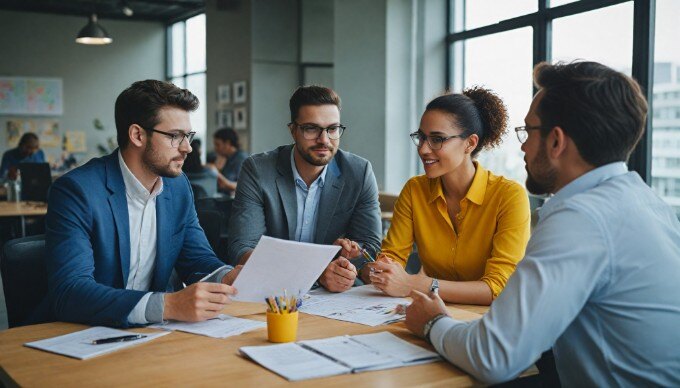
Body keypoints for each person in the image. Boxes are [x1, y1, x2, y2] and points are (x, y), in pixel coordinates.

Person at [404, 61, 680, 386]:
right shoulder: (650, 204)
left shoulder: (580, 218)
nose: (522, 146)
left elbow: (494, 357)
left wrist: (432, 322)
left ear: (556, 142)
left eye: (528, 131)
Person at [35, 80, 242, 328]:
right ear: (137, 135)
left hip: (152, 336)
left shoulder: (177, 187)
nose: (187, 148)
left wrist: (227, 275)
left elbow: (197, 259)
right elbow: (70, 292)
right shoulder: (77, 191)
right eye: (175, 136)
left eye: (188, 136)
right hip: (83, 334)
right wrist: (169, 305)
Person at [364, 88, 530, 305]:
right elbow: (391, 259)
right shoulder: (415, 190)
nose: (423, 149)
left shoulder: (509, 196)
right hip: (431, 312)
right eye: (421, 137)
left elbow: (497, 288)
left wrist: (414, 284)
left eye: (437, 139)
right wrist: (370, 268)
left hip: (490, 320)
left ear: (470, 143)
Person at [227, 85, 382, 292]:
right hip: (272, 292)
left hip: (334, 298)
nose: (324, 140)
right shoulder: (258, 170)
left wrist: (347, 259)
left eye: (332, 129)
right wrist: (318, 273)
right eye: (311, 129)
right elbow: (243, 247)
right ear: (293, 130)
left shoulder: (359, 172)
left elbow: (370, 245)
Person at [213, 127, 248, 197]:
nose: (215, 148)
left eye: (218, 145)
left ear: (227, 143)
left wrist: (214, 172)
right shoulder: (226, 158)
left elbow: (245, 185)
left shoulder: (241, 159)